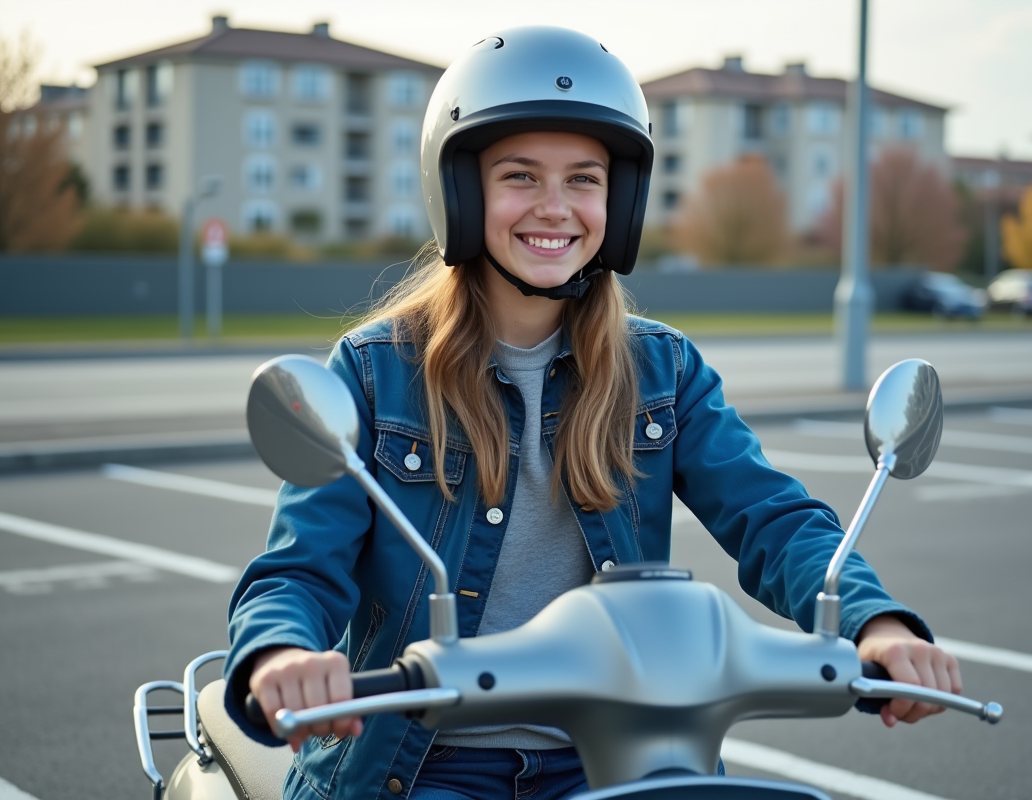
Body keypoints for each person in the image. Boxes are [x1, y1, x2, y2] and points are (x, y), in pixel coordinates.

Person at [225, 26, 961, 800]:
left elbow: (772, 517)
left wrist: (877, 623)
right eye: (519, 176)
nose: (555, 207)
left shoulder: (662, 371)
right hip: (423, 766)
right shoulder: (378, 373)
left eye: (584, 179)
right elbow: (297, 570)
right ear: (462, 191)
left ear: (624, 198)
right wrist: (283, 655)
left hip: (622, 757)